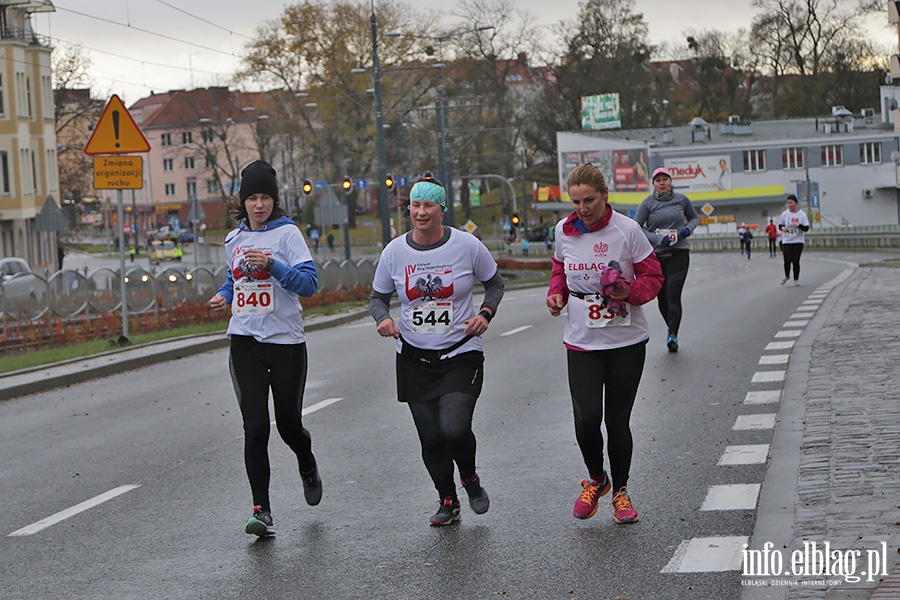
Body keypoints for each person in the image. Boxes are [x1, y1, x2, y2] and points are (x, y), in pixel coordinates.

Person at [369, 176, 504, 527]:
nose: (421, 212)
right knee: (430, 436)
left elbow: (494, 283)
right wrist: (383, 319)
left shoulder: (466, 245)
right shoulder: (395, 251)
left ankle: (470, 478)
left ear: (442, 209)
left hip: (460, 352)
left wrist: (485, 314)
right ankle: (447, 499)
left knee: (454, 428)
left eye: (429, 205)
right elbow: (377, 298)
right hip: (414, 356)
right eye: (415, 205)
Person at [208, 160, 321, 538]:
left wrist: (273, 266)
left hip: (286, 343)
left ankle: (306, 461)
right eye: (252, 198)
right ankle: (262, 510)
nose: (259, 205)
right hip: (245, 342)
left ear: (275, 200)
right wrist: (223, 297)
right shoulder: (234, 239)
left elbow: (308, 284)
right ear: (243, 201)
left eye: (265, 198)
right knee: (255, 427)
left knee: (288, 426)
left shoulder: (288, 235)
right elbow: (234, 278)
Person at [547, 163, 663, 525]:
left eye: (590, 200)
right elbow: (558, 271)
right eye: (576, 201)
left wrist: (630, 291)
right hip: (581, 340)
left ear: (605, 195)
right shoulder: (563, 232)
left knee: (617, 421)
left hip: (626, 339)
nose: (583, 208)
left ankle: (622, 493)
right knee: (585, 420)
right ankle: (597, 479)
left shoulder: (627, 230)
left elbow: (654, 276)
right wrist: (556, 295)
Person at [633, 167, 699, 353]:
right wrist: (656, 239)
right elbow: (637, 228)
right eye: (658, 180)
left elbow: (694, 218)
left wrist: (687, 230)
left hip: (679, 252)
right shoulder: (647, 204)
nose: (662, 183)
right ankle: (671, 327)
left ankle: (673, 334)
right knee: (662, 297)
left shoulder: (682, 200)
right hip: (658, 254)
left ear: (670, 182)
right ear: (653, 184)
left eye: (665, 179)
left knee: (673, 294)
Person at [778, 194, 810, 286]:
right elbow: (780, 225)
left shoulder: (802, 214)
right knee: (787, 260)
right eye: (788, 203)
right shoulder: (785, 214)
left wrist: (798, 225)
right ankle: (787, 275)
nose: (790, 205)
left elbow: (806, 228)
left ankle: (796, 279)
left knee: (796, 260)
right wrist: (783, 228)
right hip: (787, 240)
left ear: (795, 203)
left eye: (791, 202)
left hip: (798, 240)